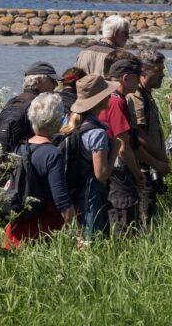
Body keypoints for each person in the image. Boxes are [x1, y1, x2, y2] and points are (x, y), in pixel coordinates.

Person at [4, 93, 77, 248]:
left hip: (14, 231)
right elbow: (61, 199)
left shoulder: (19, 148)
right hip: (41, 231)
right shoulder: (52, 153)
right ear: (57, 121)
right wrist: (75, 232)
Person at [60, 75, 121, 238]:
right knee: (92, 239)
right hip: (91, 195)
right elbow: (101, 174)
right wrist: (115, 148)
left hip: (74, 190)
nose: (110, 96)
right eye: (107, 94)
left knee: (77, 238)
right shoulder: (97, 133)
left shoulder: (70, 123)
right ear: (99, 100)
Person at [0, 61, 61, 182]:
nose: (55, 85)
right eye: (52, 81)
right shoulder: (38, 103)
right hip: (26, 173)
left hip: (2, 171)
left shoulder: (12, 101)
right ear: (38, 81)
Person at [99, 57, 146, 237]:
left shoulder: (102, 97)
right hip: (118, 169)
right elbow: (123, 145)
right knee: (124, 217)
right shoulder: (117, 102)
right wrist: (137, 173)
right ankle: (123, 251)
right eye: (137, 76)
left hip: (103, 165)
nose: (140, 80)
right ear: (126, 78)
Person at [126, 48, 170, 226]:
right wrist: (158, 160)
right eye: (158, 71)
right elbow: (138, 135)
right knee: (144, 220)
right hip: (143, 169)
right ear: (143, 71)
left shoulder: (145, 93)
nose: (163, 75)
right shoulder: (137, 96)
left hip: (149, 167)